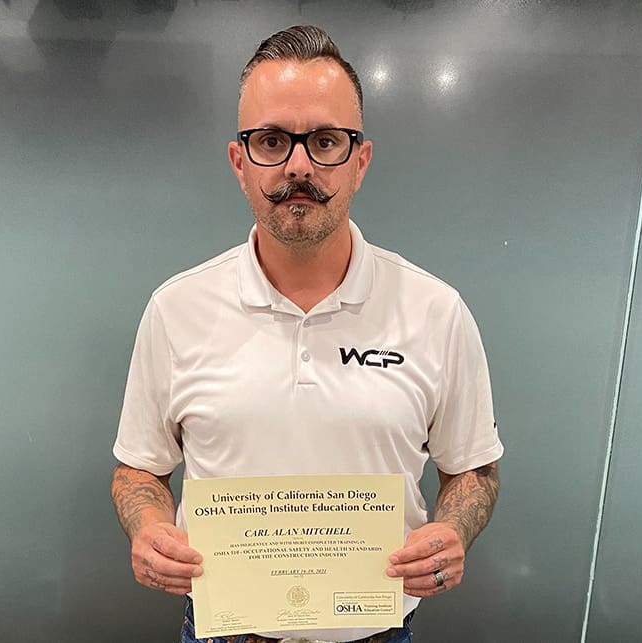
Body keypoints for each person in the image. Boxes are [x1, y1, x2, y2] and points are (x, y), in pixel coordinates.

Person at [111, 25, 503, 643]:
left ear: (361, 161)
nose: (299, 166)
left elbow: (474, 470)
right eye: (271, 141)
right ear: (240, 163)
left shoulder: (437, 311)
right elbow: (137, 471)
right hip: (223, 631)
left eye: (325, 141)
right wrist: (148, 530)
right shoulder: (175, 309)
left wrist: (454, 531)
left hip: (374, 631)